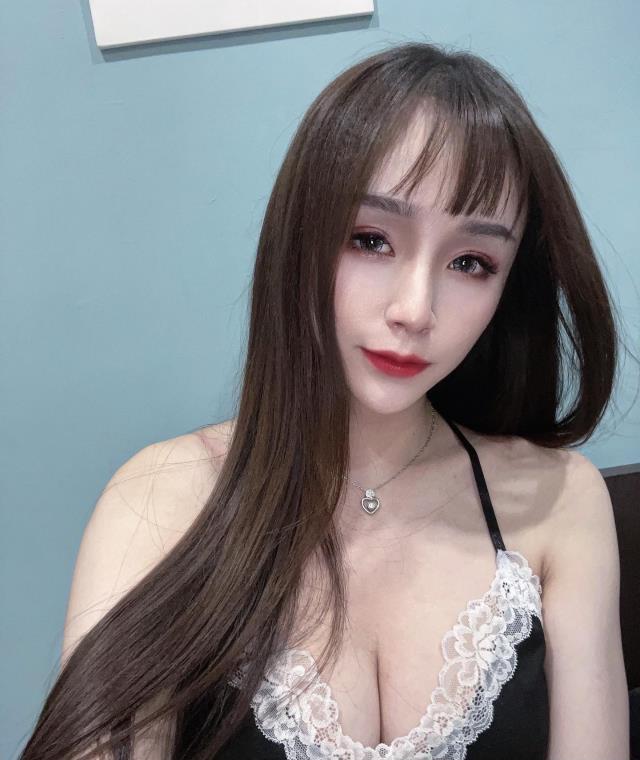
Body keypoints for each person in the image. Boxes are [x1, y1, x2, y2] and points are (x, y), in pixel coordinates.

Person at [19, 41, 630, 760]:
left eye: (472, 262)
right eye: (370, 240)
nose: (415, 309)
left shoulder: (558, 502)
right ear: (301, 237)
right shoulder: (158, 501)